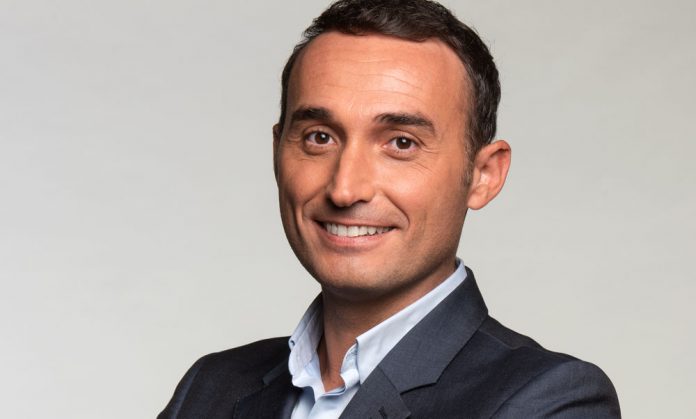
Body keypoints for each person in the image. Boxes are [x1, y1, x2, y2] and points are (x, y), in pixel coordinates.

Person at [159, 0, 620, 417]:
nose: (345, 189)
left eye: (401, 143)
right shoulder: (210, 387)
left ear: (484, 175)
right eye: (320, 137)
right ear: (278, 151)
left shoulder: (548, 400)